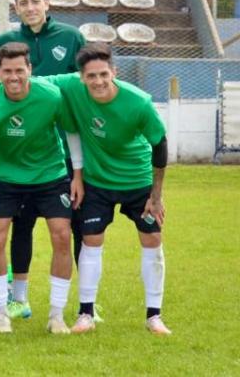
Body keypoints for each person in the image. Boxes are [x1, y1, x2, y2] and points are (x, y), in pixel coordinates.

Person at [22, 44, 170, 335]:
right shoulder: (72, 87)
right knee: (91, 241)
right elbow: (30, 80)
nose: (98, 81)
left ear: (114, 72)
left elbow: (160, 145)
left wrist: (156, 197)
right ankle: (86, 314)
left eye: (104, 74)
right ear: (81, 77)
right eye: (91, 76)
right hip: (97, 182)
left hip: (137, 181)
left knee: (152, 239)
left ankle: (154, 316)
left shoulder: (139, 102)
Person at [0, 42, 84, 334]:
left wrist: (77, 174)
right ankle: (2, 313)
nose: (14, 77)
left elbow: (72, 133)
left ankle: (56, 315)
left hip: (50, 175)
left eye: (19, 70)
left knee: (62, 236)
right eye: (7, 71)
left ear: (30, 70)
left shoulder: (50, 95)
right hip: (6, 177)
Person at [0, 0, 85, 319]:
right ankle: (18, 297)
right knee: (18, 227)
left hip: (59, 151)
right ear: (16, 8)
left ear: (46, 3)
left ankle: (85, 305)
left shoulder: (70, 37)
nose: (31, 8)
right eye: (24, 3)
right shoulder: (7, 41)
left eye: (36, 1)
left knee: (71, 228)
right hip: (14, 152)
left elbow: (87, 73)